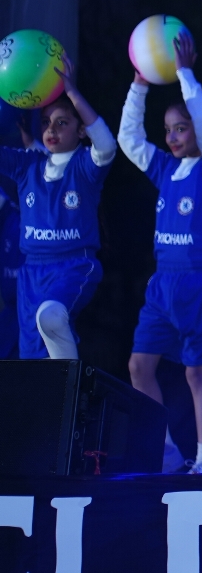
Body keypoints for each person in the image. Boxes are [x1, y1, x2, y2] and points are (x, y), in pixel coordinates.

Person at [121, 32, 202, 474]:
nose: (171, 136)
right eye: (168, 129)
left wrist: (186, 74)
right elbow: (130, 140)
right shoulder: (166, 169)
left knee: (196, 373)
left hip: (201, 280)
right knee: (139, 366)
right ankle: (167, 453)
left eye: (181, 128)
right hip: (162, 283)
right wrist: (139, 85)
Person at [0, 56, 114, 363]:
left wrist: (72, 92)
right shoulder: (28, 165)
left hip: (73, 265)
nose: (51, 129)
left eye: (62, 122)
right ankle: (49, 393)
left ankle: (67, 389)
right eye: (46, 122)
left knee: (51, 316)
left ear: (81, 131)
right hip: (30, 272)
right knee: (32, 357)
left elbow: (106, 145)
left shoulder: (84, 166)